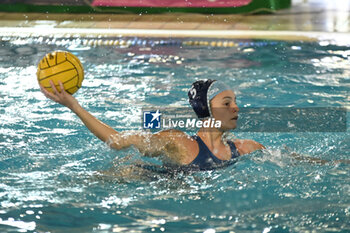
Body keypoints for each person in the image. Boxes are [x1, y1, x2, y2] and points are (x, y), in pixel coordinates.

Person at [40, 79, 265, 171]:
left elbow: (292, 160)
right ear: (206, 109)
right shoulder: (176, 141)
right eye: (227, 103)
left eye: (235, 102)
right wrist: (75, 107)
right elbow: (117, 142)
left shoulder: (247, 148)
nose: (236, 108)